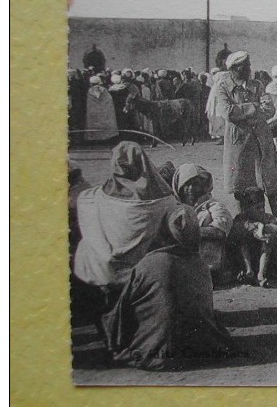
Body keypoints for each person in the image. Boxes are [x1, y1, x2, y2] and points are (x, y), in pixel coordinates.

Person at [100, 204, 235, 370]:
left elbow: (125, 306)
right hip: (204, 349)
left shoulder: (151, 262)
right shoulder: (200, 264)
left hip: (158, 352)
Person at [71, 142, 178, 328]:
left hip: (100, 273)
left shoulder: (91, 198)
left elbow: (83, 199)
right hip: (142, 274)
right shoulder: (162, 203)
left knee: (84, 247)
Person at [214, 51, 277, 225]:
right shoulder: (223, 87)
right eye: (244, 66)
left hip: (262, 140)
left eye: (248, 65)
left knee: (270, 186)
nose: (249, 68)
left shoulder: (257, 85)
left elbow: (270, 110)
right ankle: (245, 226)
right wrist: (254, 107)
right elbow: (228, 113)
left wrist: (244, 111)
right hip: (239, 145)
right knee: (241, 187)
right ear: (234, 68)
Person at [172, 164, 234, 284]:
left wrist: (192, 232)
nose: (190, 188)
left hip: (209, 261)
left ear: (204, 186)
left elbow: (221, 229)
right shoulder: (174, 208)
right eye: (186, 184)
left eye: (195, 184)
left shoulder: (213, 205)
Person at [226, 186, 277, 287]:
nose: (261, 210)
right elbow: (235, 233)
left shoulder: (268, 218)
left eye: (263, 207)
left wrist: (263, 229)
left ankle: (261, 274)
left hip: (265, 258)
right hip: (246, 258)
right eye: (257, 208)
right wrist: (251, 229)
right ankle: (249, 271)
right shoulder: (241, 219)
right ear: (247, 209)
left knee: (266, 244)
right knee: (243, 243)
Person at [84, 75, 119, 142]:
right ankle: (105, 137)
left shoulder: (89, 91)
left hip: (93, 111)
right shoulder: (104, 90)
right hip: (104, 111)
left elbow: (89, 102)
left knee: (93, 122)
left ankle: (95, 138)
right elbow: (109, 100)